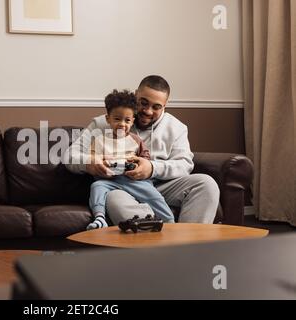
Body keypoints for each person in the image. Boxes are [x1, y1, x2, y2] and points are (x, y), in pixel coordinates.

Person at [64, 75, 220, 225]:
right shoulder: (102, 123)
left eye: (156, 107)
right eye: (143, 103)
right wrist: (90, 162)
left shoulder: (177, 128)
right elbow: (70, 156)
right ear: (135, 95)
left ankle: (188, 248)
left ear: (165, 105)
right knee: (114, 200)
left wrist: (152, 168)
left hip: (161, 186)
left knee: (206, 184)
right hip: (119, 186)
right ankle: (157, 242)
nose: (148, 111)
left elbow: (185, 164)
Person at [86, 89, 175, 230]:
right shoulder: (99, 140)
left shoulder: (135, 140)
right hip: (110, 181)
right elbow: (91, 157)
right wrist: (98, 161)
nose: (122, 124)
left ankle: (169, 221)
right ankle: (99, 218)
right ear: (108, 119)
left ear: (132, 120)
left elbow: (145, 158)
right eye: (117, 119)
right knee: (96, 187)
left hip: (133, 180)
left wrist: (138, 161)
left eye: (127, 120)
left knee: (153, 195)